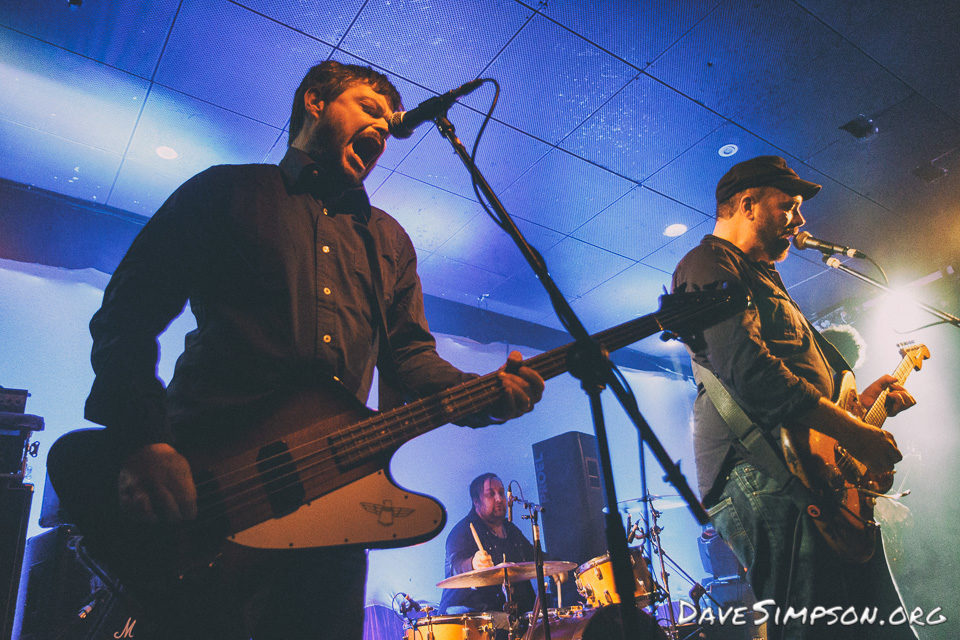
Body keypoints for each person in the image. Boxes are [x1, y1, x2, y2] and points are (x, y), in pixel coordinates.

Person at [49, 61, 544, 640]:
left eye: (389, 122)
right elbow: (125, 313)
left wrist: (487, 394)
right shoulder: (226, 192)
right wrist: (144, 438)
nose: (383, 128)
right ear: (314, 101)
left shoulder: (390, 242)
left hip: (333, 511)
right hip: (206, 491)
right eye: (368, 108)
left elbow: (410, 358)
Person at [671, 156, 917, 640]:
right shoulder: (707, 264)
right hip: (759, 469)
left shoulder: (762, 274)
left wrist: (860, 405)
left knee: (874, 624)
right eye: (789, 207)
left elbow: (796, 375)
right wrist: (855, 434)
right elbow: (752, 374)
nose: (800, 221)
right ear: (746, 203)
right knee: (813, 625)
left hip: (802, 470)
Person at [440, 473, 536, 616]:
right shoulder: (462, 531)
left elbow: (532, 556)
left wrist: (556, 566)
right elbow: (456, 564)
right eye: (491, 494)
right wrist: (473, 563)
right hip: (471, 621)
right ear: (476, 501)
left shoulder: (510, 529)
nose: (499, 499)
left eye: (501, 493)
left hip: (511, 616)